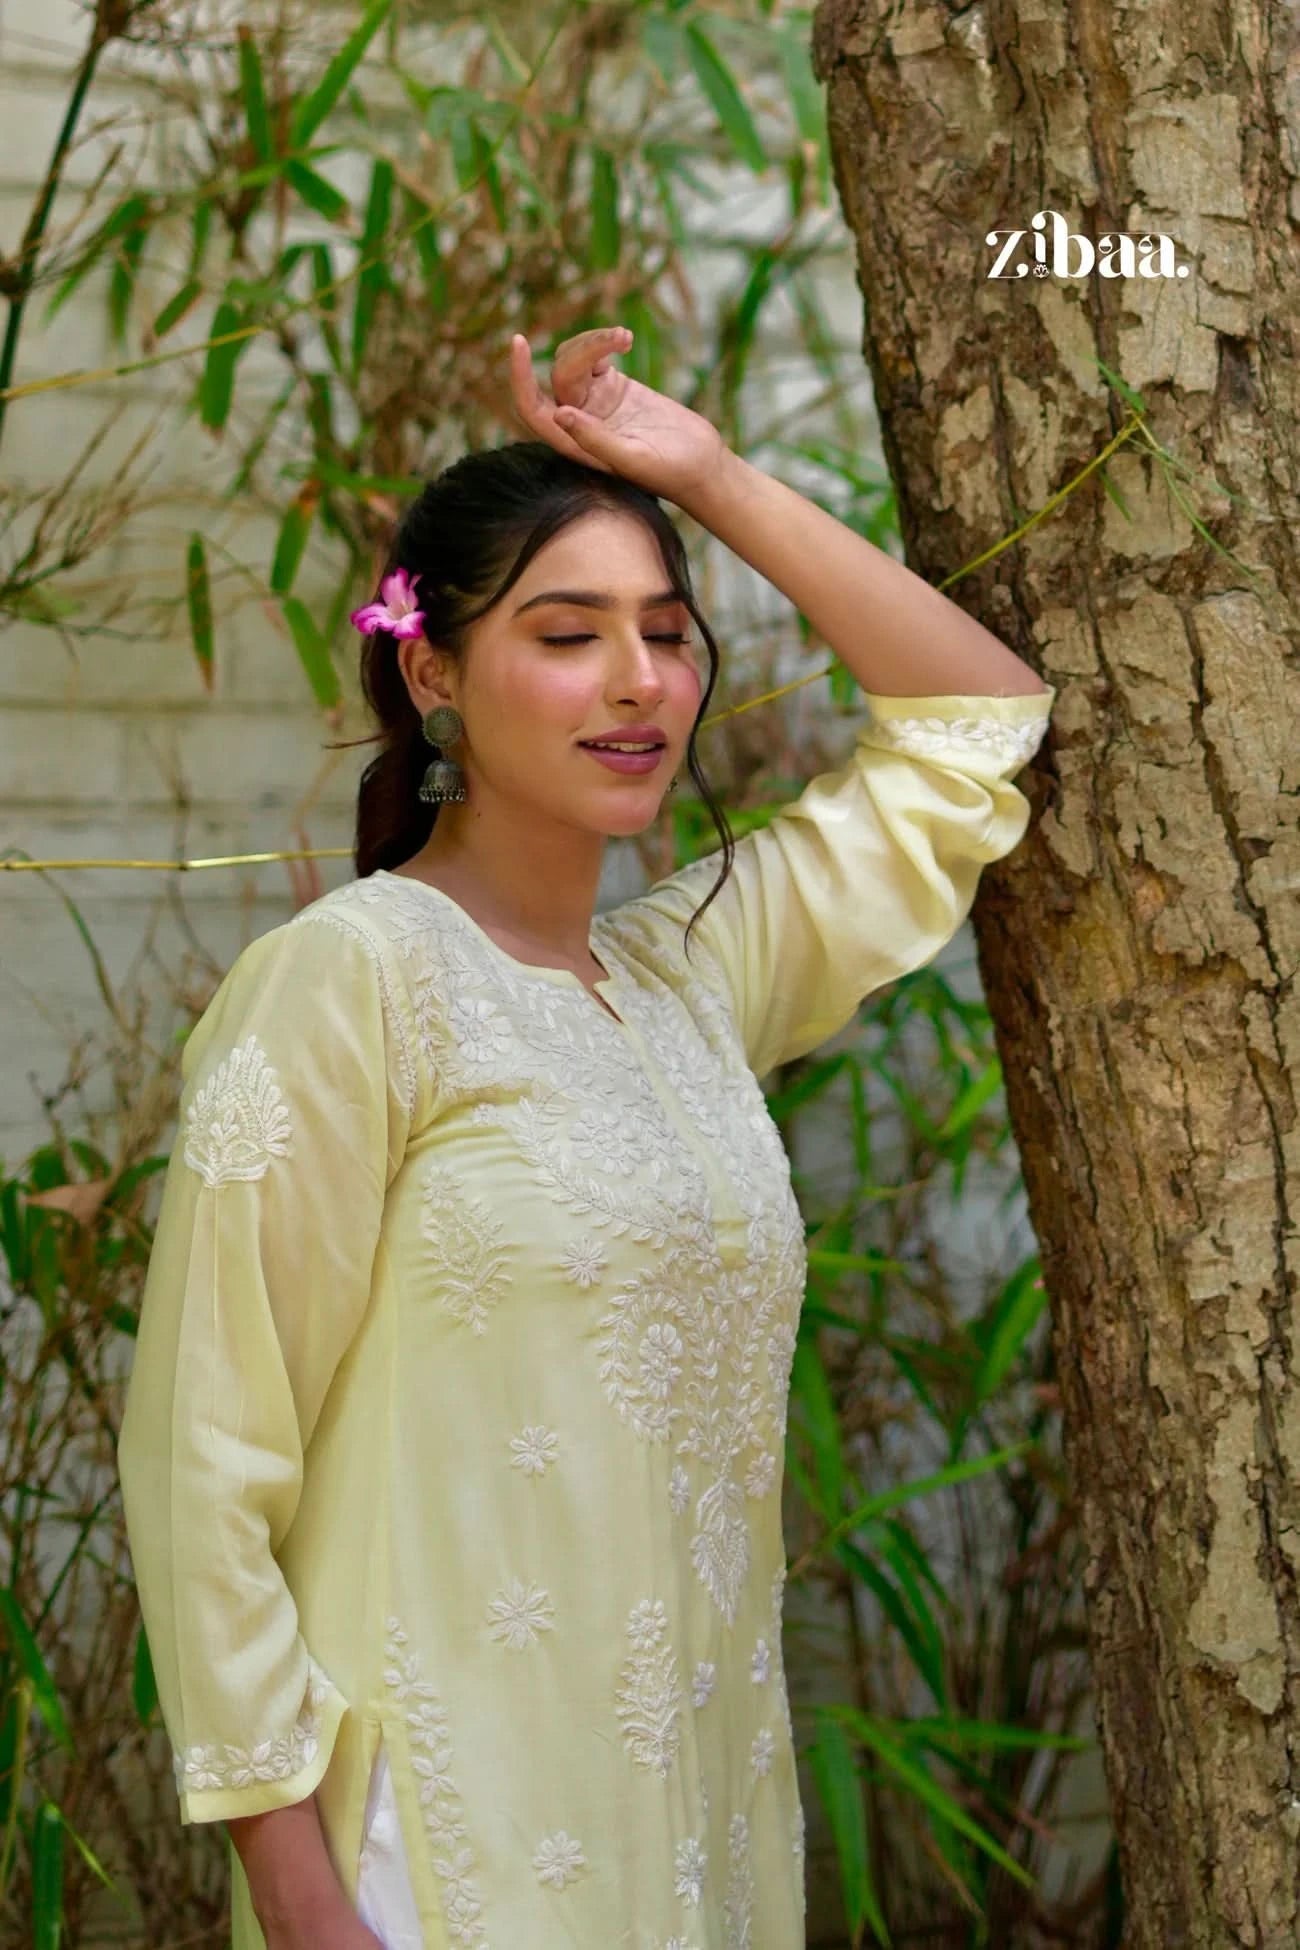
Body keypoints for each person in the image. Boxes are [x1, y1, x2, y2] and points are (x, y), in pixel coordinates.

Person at [117, 326, 1055, 1950]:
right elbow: (204, 1466)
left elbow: (977, 721)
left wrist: (703, 473)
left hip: (689, 1832)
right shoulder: (351, 982)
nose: (639, 682)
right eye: (569, 634)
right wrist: (301, 1900)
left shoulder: (690, 978)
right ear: (430, 670)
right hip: (442, 1844)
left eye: (668, 636)